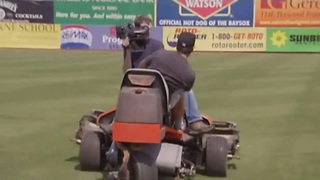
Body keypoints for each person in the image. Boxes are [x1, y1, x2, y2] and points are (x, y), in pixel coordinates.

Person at [122, 15, 213, 133]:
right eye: (144, 28)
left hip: (152, 83)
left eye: (149, 28)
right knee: (184, 91)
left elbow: (148, 66)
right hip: (138, 83)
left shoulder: (157, 47)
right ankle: (187, 122)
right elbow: (128, 71)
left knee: (182, 90)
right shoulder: (131, 45)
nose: (147, 31)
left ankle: (185, 122)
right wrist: (128, 49)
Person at [138, 32, 214, 133]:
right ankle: (182, 124)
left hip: (144, 94)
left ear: (177, 45)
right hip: (163, 102)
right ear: (192, 49)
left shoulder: (160, 54)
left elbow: (141, 66)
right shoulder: (189, 74)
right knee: (184, 91)